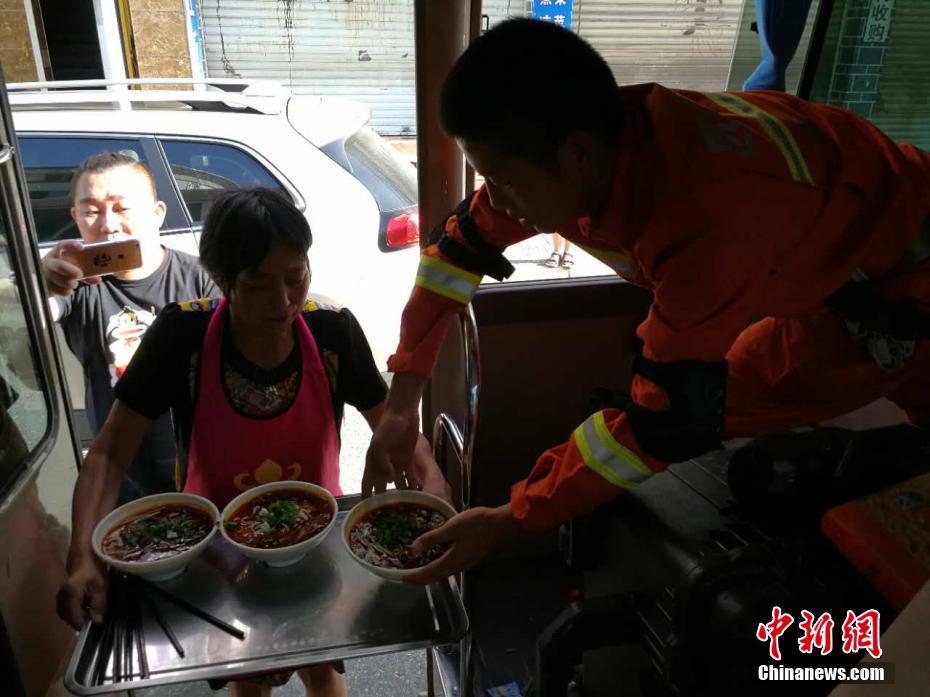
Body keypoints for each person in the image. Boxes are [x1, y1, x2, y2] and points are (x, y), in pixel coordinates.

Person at [362, 18, 930, 584]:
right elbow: (458, 247)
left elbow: (663, 425)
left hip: (898, 283)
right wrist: (402, 402)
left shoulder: (700, 217)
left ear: (576, 155)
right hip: (822, 247)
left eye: (504, 182)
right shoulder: (598, 146)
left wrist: (512, 518)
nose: (500, 204)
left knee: (716, 404)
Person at [56, 188, 451, 697]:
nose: (285, 300)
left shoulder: (331, 330)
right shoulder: (182, 335)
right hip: (212, 547)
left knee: (322, 664)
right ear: (223, 280)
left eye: (295, 276)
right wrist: (81, 558)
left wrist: (434, 483)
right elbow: (108, 453)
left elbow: (395, 427)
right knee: (247, 667)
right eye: (259, 283)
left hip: (313, 539)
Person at [41, 152, 218, 503]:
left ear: (157, 215)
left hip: (207, 470)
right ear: (75, 218)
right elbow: (28, 318)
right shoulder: (75, 286)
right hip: (126, 479)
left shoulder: (203, 277)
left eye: (122, 208)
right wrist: (38, 283)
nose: (107, 224)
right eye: (91, 211)